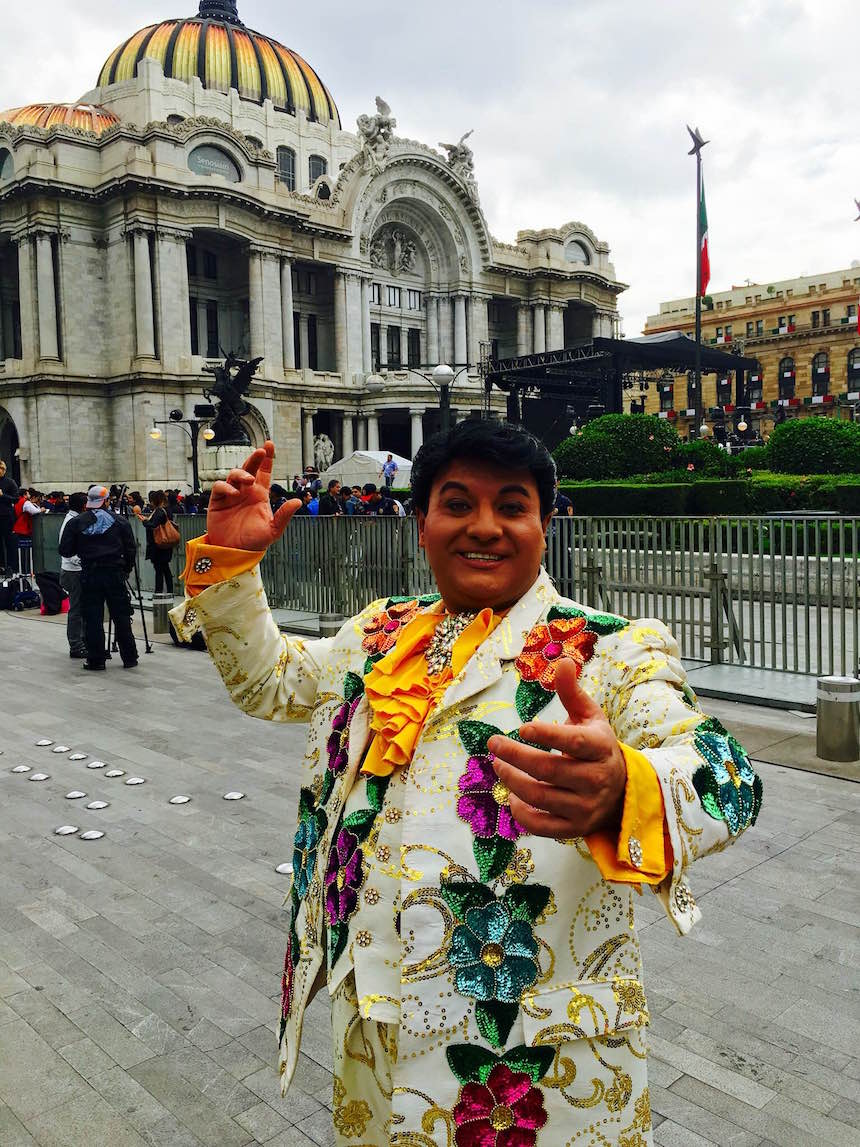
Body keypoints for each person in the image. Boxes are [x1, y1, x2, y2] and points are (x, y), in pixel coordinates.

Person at [170, 425, 762, 1146]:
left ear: (545, 524)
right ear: (421, 523)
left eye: (512, 505)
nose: (485, 526)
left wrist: (626, 785)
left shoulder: (611, 648)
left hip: (530, 1063)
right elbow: (271, 681)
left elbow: (727, 776)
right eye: (458, 503)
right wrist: (231, 563)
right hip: (371, 1033)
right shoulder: (378, 633)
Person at [59, 484, 138, 670]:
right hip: (114, 573)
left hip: (90, 574)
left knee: (92, 617)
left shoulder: (76, 523)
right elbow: (130, 549)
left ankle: (96, 659)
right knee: (121, 615)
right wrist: (126, 569)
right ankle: (130, 657)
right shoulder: (119, 521)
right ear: (107, 501)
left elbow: (65, 550)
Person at [58, 492, 88, 659]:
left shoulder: (73, 519)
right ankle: (76, 644)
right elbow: (66, 549)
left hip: (73, 569)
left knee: (80, 607)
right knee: (76, 608)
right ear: (83, 506)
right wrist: (84, 560)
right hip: (73, 571)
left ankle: (81, 641)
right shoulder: (71, 521)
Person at [135, 491, 175, 595]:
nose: (150, 503)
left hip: (158, 545)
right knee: (165, 568)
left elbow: (153, 525)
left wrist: (144, 521)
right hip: (165, 544)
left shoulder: (159, 511)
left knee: (159, 569)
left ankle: (159, 591)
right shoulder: (166, 510)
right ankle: (169, 591)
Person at [0, 460, 18, 574]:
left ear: (3, 470)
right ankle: (1, 566)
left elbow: (16, 499)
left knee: (9, 543)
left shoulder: (10, 482)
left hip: (6, 517)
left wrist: (3, 495)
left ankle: (12, 567)